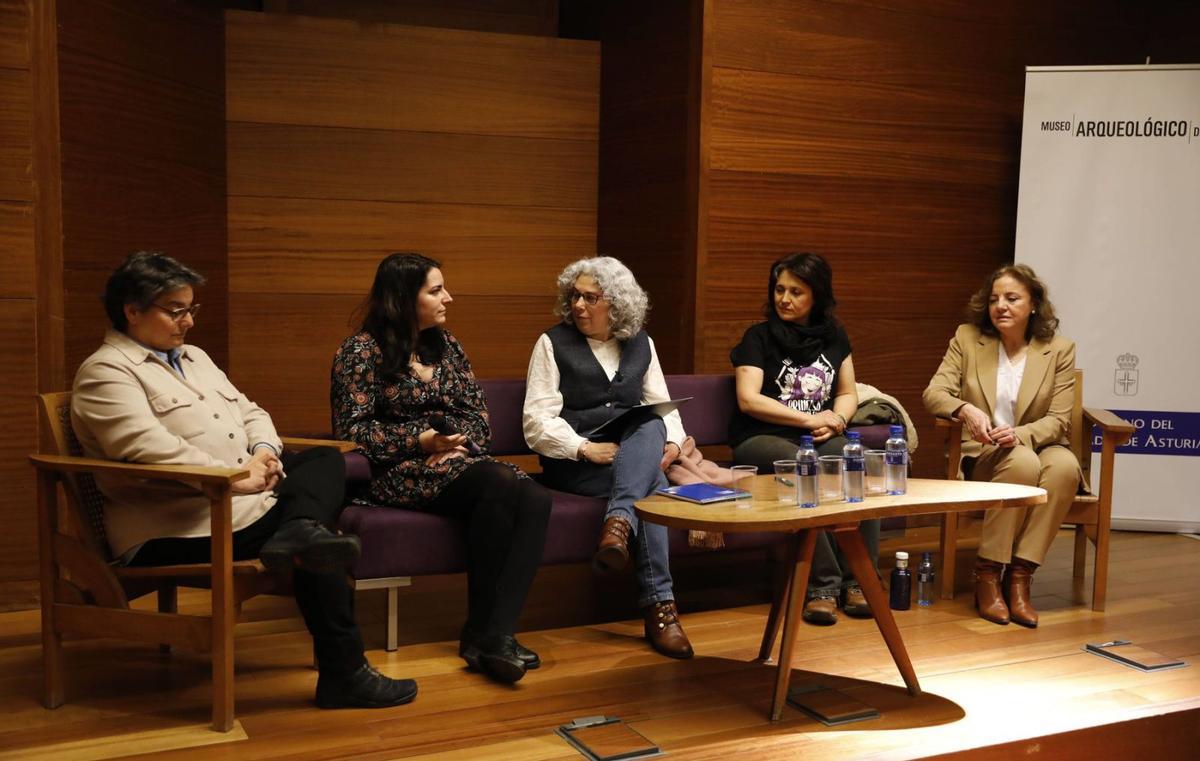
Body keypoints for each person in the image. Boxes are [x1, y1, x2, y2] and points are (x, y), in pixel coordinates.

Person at [71, 251, 416, 710]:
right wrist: (236, 478)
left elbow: (250, 411)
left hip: (242, 505)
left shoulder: (192, 357)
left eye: (192, 309)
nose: (188, 322)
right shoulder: (106, 372)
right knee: (317, 543)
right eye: (176, 311)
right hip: (175, 528)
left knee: (324, 462)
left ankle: (301, 536)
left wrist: (264, 452)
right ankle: (344, 673)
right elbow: (144, 448)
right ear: (131, 311)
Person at [331, 253, 551, 683]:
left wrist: (457, 444)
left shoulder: (446, 345)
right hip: (393, 472)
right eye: (435, 290)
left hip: (455, 464)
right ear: (401, 299)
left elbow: (478, 416)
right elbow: (352, 431)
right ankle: (486, 636)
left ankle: (493, 634)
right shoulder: (359, 351)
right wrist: (421, 440)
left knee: (535, 499)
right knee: (502, 483)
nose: (448, 297)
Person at [522, 256, 693, 659]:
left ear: (616, 303)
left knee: (652, 426)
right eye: (575, 297)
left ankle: (617, 524)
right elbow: (536, 421)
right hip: (576, 465)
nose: (578, 306)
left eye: (590, 298)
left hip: (629, 459)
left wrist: (671, 444)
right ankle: (661, 609)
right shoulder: (552, 343)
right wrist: (584, 448)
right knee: (653, 491)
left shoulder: (641, 343)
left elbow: (662, 407)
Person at [923, 263, 1079, 628]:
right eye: (994, 299)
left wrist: (1020, 434)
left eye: (1012, 298)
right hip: (985, 453)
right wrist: (966, 409)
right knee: (1022, 463)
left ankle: (1021, 575)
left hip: (1039, 443)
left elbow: (1060, 419)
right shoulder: (967, 338)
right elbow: (934, 393)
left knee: (1066, 467)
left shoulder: (1059, 349)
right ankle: (988, 574)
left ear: (1034, 305)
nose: (1001, 306)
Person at [728, 252, 878, 626]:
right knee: (804, 467)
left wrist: (839, 420)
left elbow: (847, 392)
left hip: (819, 433)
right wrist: (810, 418)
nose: (785, 299)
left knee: (865, 465)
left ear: (817, 297)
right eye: (780, 289)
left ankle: (859, 579)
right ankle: (822, 586)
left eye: (796, 291)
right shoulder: (757, 337)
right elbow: (749, 400)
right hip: (763, 435)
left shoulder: (834, 335)